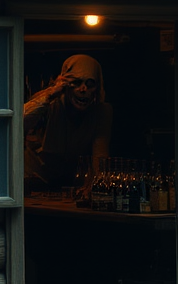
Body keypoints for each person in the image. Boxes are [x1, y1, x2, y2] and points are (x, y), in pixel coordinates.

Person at [23, 54, 113, 191]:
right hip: (32, 179)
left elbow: (100, 157)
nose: (83, 90)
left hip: (69, 183)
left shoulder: (100, 112)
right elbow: (18, 122)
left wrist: (94, 184)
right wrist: (51, 93)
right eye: (76, 83)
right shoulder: (50, 103)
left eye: (89, 84)